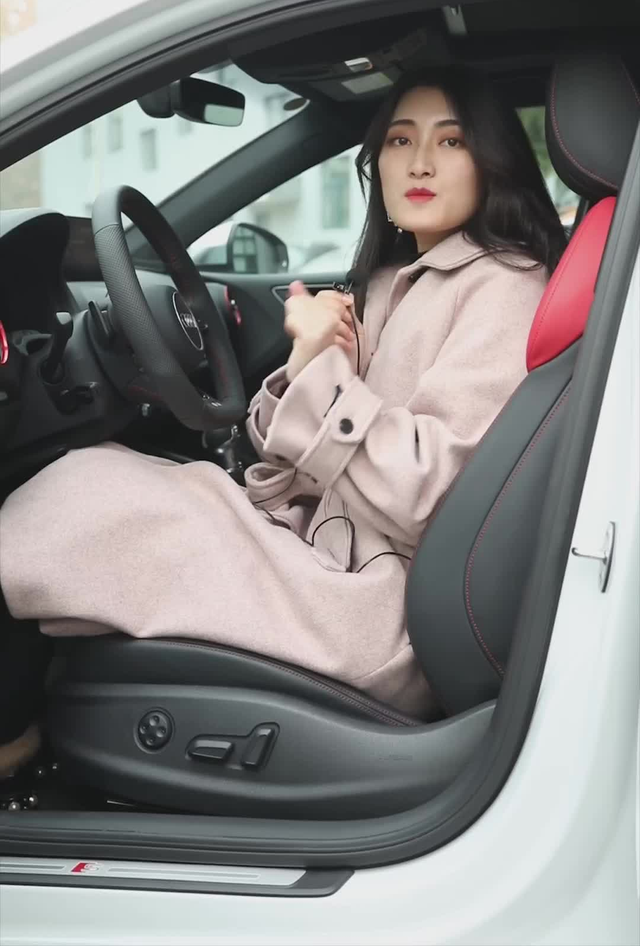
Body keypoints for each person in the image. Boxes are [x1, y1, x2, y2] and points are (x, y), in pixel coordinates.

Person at [0, 67, 567, 776]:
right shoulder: (395, 281)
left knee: (78, 498)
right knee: (104, 480)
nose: (419, 162)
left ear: (492, 160)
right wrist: (310, 359)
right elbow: (292, 459)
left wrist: (322, 371)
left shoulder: (504, 285)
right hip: (325, 548)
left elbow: (428, 492)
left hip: (379, 607)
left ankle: (12, 732)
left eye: (450, 141)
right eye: (400, 140)